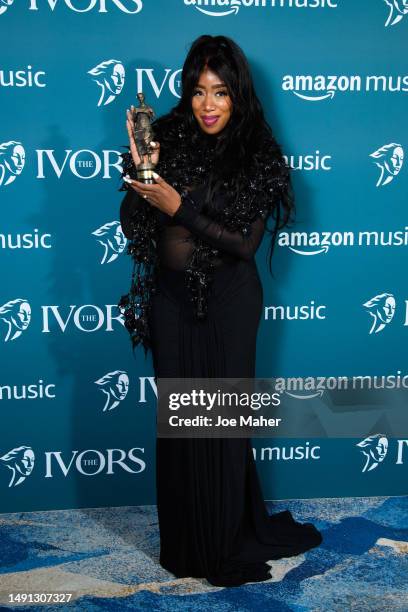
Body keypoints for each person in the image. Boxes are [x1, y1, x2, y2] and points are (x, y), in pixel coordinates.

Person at [119, 35, 323, 588]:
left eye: (221, 92)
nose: (208, 104)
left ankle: (224, 540)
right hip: (170, 299)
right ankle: (187, 546)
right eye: (199, 91)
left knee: (223, 425)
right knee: (184, 425)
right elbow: (133, 225)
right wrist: (145, 174)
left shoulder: (258, 152)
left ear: (238, 96)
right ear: (187, 92)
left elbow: (243, 243)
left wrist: (177, 204)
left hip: (230, 301)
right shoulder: (164, 137)